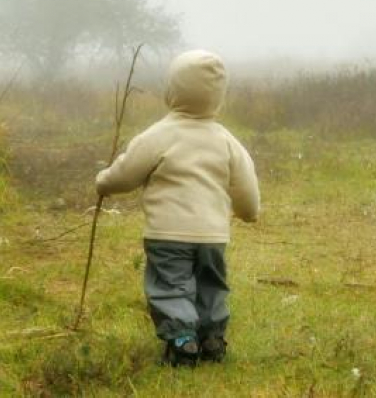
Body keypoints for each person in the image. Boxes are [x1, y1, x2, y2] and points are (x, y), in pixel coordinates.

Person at [95, 49, 260, 366]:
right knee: (211, 286)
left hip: (167, 234)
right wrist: (249, 212)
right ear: (218, 98)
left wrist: (104, 183)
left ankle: (183, 340)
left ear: (171, 91)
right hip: (213, 236)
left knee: (171, 286)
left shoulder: (159, 135)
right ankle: (212, 338)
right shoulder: (226, 141)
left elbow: (126, 172)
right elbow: (246, 183)